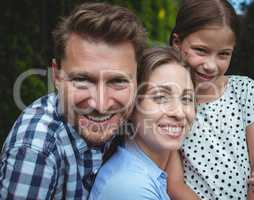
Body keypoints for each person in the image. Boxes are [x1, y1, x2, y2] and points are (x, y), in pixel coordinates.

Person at [0, 2, 146, 199]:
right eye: (82, 80)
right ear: (57, 76)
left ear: (137, 79)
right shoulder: (36, 150)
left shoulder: (141, 119)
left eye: (118, 81)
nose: (101, 105)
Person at [166, 0, 254, 200]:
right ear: (177, 42)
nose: (211, 66)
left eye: (223, 54)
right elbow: (175, 183)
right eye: (201, 50)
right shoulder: (168, 103)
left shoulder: (245, 90)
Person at [89, 47, 196, 200]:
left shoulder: (150, 169)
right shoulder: (131, 187)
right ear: (131, 106)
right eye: (160, 97)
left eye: (186, 99)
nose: (179, 113)